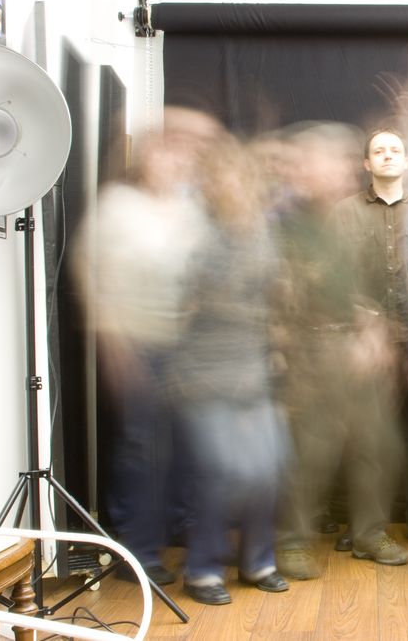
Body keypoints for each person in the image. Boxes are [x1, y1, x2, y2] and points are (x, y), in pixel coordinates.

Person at [72, 107, 221, 587]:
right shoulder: (117, 204)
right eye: (169, 153)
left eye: (185, 157)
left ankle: (174, 526)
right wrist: (113, 343)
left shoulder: (190, 206)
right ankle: (137, 553)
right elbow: (89, 275)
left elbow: (203, 273)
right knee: (141, 448)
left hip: (187, 348)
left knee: (186, 448)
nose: (178, 163)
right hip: (136, 345)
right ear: (148, 156)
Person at [270, 123, 408, 579]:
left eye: (336, 163)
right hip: (309, 354)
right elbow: (278, 297)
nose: (331, 172)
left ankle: (370, 533)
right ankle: (293, 542)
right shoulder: (284, 223)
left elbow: (355, 289)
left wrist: (371, 329)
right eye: (319, 163)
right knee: (313, 452)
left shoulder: (340, 220)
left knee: (379, 446)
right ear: (301, 170)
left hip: (354, 350)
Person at [169, 134, 289, 605]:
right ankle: (202, 571)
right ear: (210, 185)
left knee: (268, 468)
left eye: (242, 178)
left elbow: (272, 291)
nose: (235, 187)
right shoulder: (195, 234)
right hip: (203, 371)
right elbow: (186, 299)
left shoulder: (264, 231)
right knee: (221, 472)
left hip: (252, 369)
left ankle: (259, 562)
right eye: (224, 179)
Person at [330, 128, 408, 548]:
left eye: (395, 150)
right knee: (366, 436)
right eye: (379, 151)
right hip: (366, 340)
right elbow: (334, 276)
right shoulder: (343, 213)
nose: (388, 156)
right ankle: (362, 524)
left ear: (407, 162)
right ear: (367, 164)